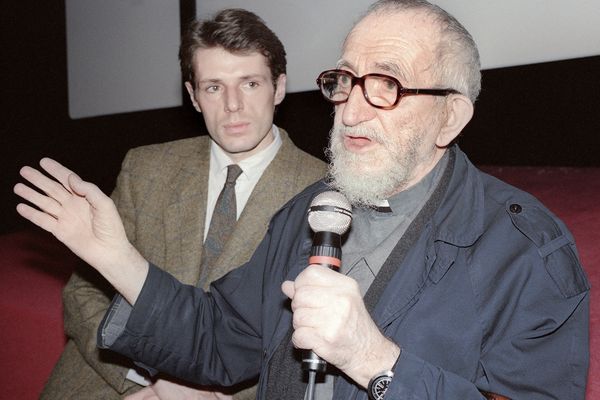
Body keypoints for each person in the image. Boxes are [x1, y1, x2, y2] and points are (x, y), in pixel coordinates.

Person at [15, 1, 590, 399]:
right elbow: (219, 337)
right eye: (345, 80)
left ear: (451, 116)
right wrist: (116, 257)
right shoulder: (311, 212)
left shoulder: (525, 252)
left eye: (385, 85)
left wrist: (377, 362)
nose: (352, 109)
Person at [36, 8, 326, 400]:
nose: (233, 105)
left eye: (250, 84)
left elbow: (309, 342)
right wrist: (142, 383)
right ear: (193, 96)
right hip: (111, 383)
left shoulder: (323, 192)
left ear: (278, 88)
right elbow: (83, 294)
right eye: (213, 87)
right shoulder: (146, 167)